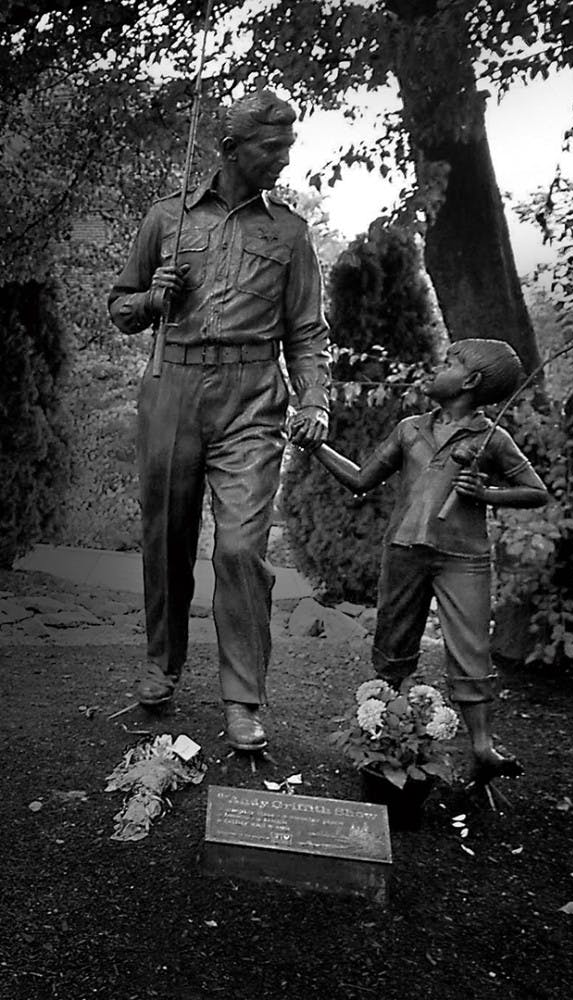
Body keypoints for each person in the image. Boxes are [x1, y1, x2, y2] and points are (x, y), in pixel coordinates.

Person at [108, 90, 330, 751]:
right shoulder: (165, 218)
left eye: (289, 148)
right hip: (172, 384)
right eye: (272, 148)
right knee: (168, 538)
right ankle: (161, 666)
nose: (284, 161)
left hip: (253, 396)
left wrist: (314, 398)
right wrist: (154, 295)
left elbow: (308, 330)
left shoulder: (289, 232)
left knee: (238, 549)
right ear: (231, 150)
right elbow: (121, 308)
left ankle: (242, 699)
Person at [310, 338, 548, 783]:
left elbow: (537, 491)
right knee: (394, 642)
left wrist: (488, 494)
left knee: (471, 647)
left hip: (464, 556)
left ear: (471, 382)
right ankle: (384, 733)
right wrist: (316, 447)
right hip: (404, 549)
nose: (437, 368)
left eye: (448, 362)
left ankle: (482, 746)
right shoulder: (410, 429)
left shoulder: (491, 438)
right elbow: (361, 479)